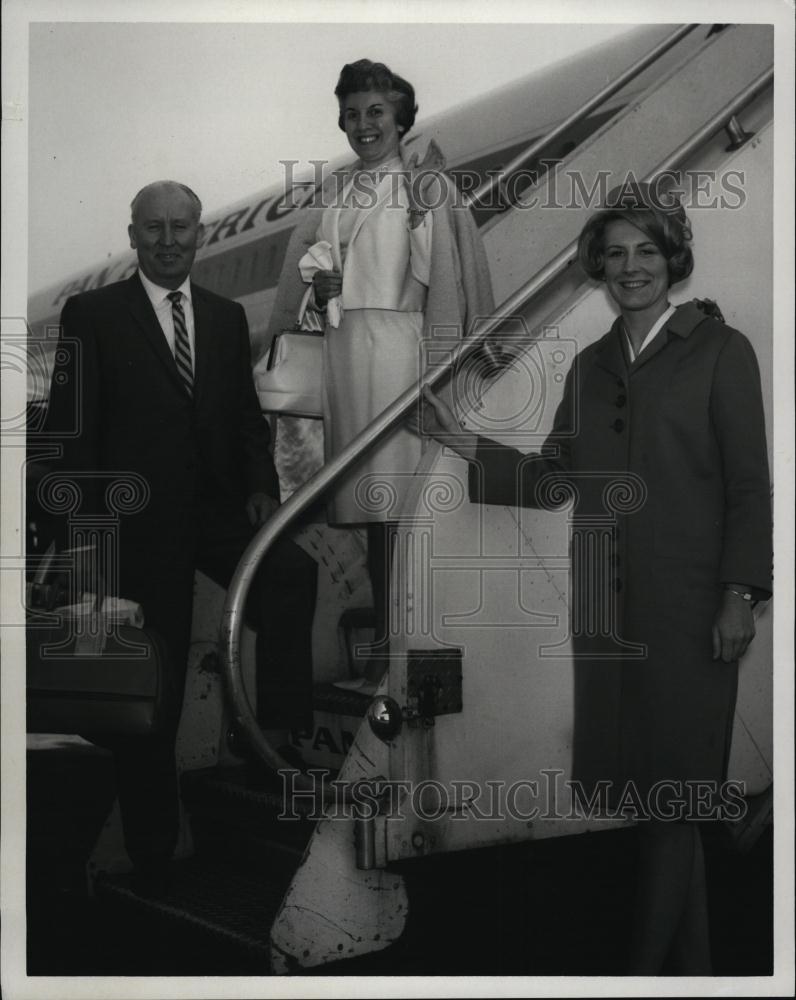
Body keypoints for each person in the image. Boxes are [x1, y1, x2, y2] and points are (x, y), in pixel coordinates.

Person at [420, 181, 773, 973]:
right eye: (614, 254)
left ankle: (640, 978)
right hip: (608, 614)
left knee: (673, 803)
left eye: (647, 250)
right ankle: (700, 974)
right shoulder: (589, 367)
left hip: (692, 614)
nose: (630, 267)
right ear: (598, 269)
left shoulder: (723, 351)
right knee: (660, 807)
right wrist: (462, 441)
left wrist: (740, 594)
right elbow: (555, 481)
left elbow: (750, 486)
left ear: (673, 258)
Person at [41, 180, 317, 888]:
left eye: (182, 227)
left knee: (292, 576)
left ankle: (278, 736)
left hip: (217, 514)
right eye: (154, 228)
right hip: (136, 528)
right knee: (151, 692)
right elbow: (71, 433)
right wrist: (85, 539)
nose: (169, 240)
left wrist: (262, 489)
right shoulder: (94, 314)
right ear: (134, 235)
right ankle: (154, 846)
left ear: (198, 235)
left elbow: (246, 423)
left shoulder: (223, 319)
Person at [266, 59, 494, 680]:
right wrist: (323, 291)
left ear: (400, 118)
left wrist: (422, 222)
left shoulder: (426, 186)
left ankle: (401, 647)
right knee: (368, 506)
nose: (363, 125)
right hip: (346, 354)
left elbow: (442, 281)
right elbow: (309, 294)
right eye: (351, 114)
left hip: (397, 351)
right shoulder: (334, 196)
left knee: (400, 503)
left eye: (376, 112)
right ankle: (390, 641)